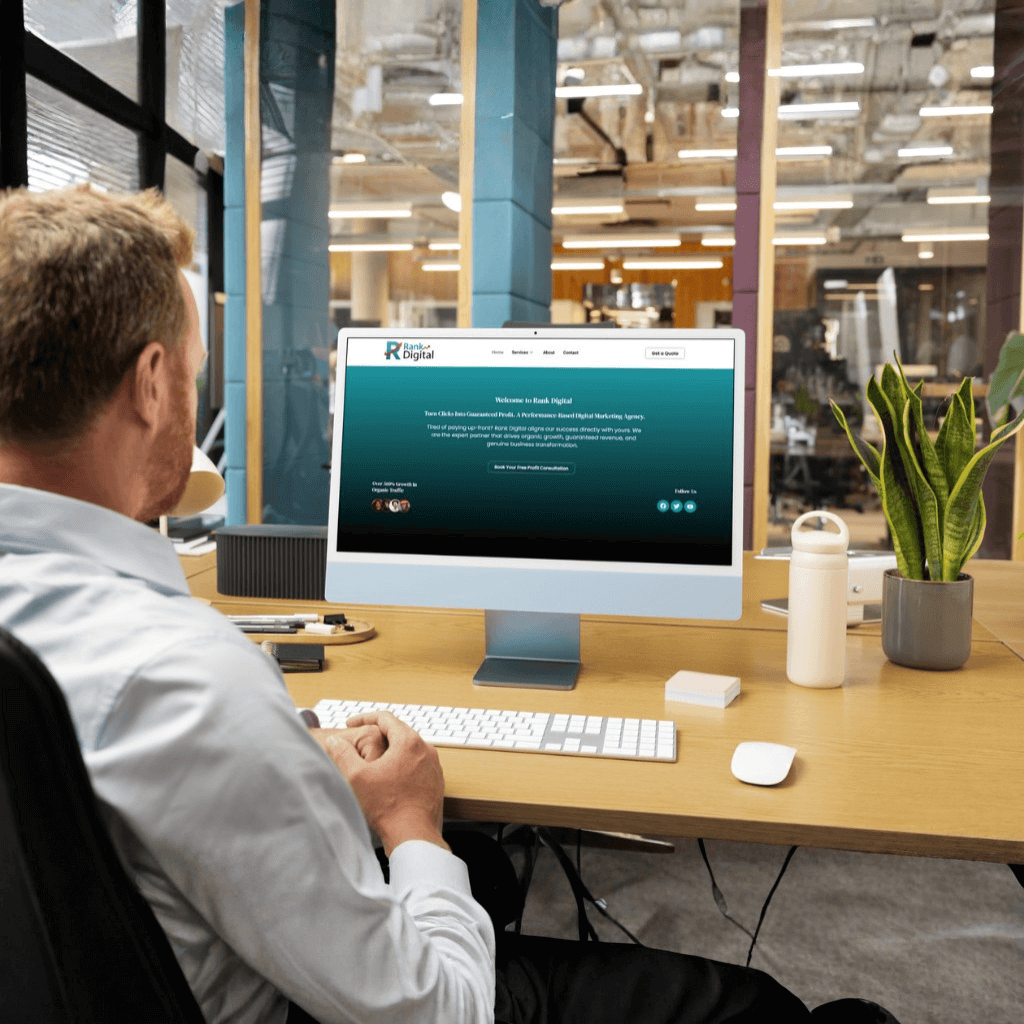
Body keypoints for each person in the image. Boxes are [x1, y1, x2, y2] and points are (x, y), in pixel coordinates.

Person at [0, 186, 896, 1024]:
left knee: (494, 878)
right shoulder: (185, 681)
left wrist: (282, 755)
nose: (193, 407)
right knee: (759, 1007)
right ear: (152, 384)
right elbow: (442, 1009)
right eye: (195, 378)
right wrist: (409, 818)